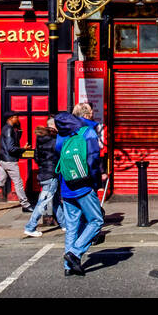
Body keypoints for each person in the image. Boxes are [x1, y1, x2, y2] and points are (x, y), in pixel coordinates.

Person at [54, 102, 105, 276]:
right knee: (96, 221)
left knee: (72, 226)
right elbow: (92, 160)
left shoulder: (61, 135)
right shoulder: (88, 132)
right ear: (88, 114)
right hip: (83, 186)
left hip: (66, 185)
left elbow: (58, 157)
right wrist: (96, 182)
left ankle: (69, 268)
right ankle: (74, 254)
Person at [0, 114, 32, 214]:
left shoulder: (8, 128)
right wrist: (23, 149)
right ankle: (25, 204)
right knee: (18, 182)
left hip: (4, 159)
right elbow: (11, 148)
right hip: (9, 161)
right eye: (16, 117)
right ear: (10, 118)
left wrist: (18, 134)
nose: (18, 119)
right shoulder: (9, 130)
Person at [22, 118, 63, 238]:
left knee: (55, 200)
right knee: (43, 202)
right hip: (51, 173)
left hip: (43, 172)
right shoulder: (55, 138)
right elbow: (59, 156)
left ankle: (64, 224)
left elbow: (36, 157)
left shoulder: (40, 138)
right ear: (54, 126)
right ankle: (30, 227)